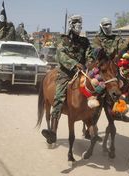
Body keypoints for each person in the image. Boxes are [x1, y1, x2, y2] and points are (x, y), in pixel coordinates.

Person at [41, 15, 95, 144]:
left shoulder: (85, 41)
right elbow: (61, 56)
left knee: (96, 90)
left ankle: (92, 126)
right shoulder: (63, 40)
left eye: (80, 23)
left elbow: (89, 54)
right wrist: (74, 64)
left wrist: (90, 62)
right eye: (76, 22)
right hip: (66, 72)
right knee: (59, 96)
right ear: (71, 24)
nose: (79, 25)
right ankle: (53, 131)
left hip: (82, 72)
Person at [92, 17, 129, 122]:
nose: (108, 26)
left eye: (109, 24)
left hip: (114, 68)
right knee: (97, 90)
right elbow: (97, 53)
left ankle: (120, 112)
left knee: (124, 86)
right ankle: (92, 117)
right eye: (105, 24)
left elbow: (122, 48)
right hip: (102, 68)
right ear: (101, 26)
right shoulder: (97, 39)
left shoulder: (117, 38)